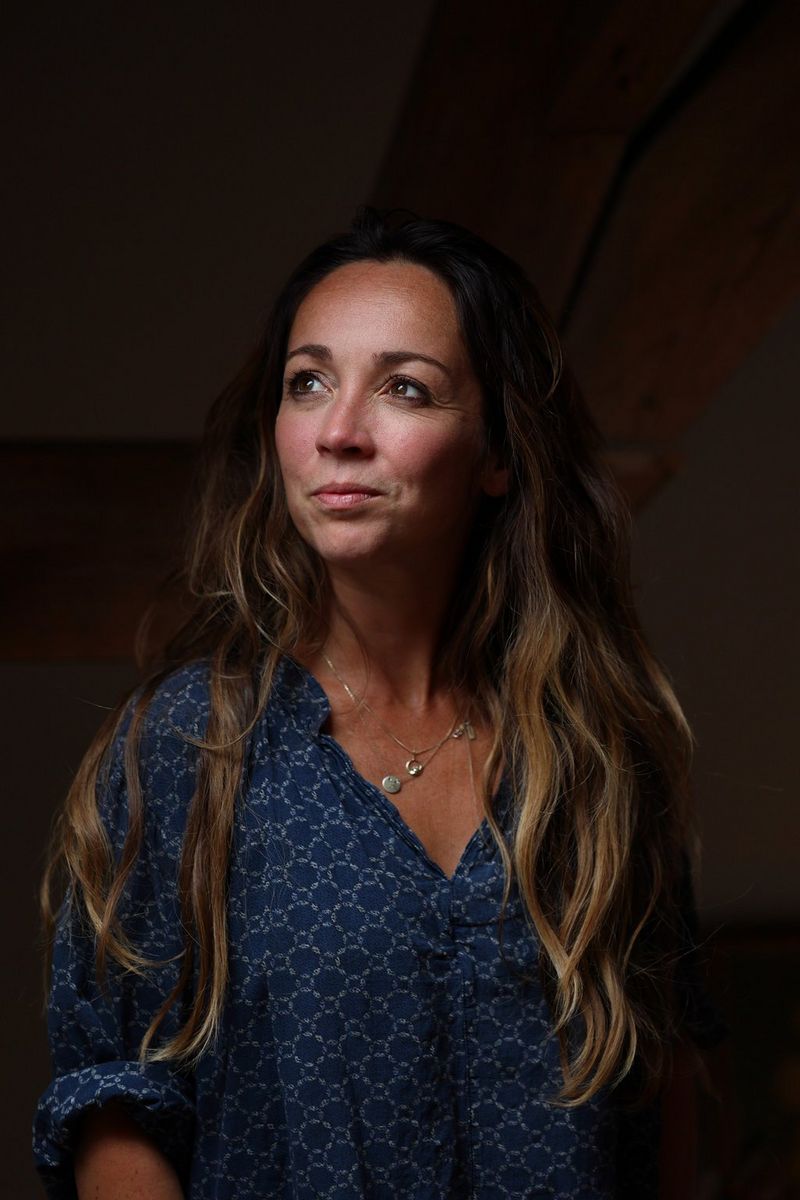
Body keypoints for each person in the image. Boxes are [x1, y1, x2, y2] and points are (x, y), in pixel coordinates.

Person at [33, 206, 727, 1199]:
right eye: (306, 382)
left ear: (495, 453)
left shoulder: (598, 756)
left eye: (405, 388)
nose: (339, 432)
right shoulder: (190, 747)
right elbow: (114, 1105)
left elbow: (657, 1095)